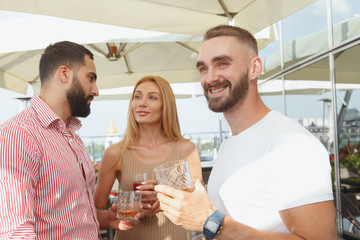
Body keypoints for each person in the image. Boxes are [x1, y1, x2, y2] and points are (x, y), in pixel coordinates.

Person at [155, 25, 337, 239]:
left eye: (222, 63)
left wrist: (209, 221)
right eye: (203, 68)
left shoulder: (291, 143)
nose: (210, 78)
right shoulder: (230, 143)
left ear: (254, 68)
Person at [0, 41, 136, 239]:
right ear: (64, 74)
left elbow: (66, 214)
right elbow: (15, 232)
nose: (96, 90)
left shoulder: (71, 135)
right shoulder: (19, 135)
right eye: (90, 78)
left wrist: (105, 219)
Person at [94, 75, 203, 240]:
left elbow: (199, 208)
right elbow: (94, 213)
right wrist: (128, 206)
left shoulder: (186, 150)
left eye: (152, 97)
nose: (141, 102)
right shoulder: (114, 153)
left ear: (166, 105)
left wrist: (165, 202)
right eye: (137, 96)